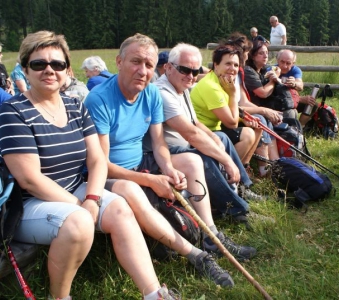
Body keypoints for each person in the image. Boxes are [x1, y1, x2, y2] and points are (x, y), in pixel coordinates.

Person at [0, 30, 180, 300]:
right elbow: (29, 180)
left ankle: (154, 294)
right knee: (79, 222)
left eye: (57, 64)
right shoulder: (14, 111)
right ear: (25, 68)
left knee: (119, 206)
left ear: (67, 70)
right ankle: (59, 297)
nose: (49, 70)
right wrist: (81, 207)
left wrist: (93, 199)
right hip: (29, 204)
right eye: (39, 64)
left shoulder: (75, 106)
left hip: (76, 189)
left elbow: (96, 160)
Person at [85, 33, 257, 288]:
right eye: (136, 62)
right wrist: (151, 179)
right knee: (136, 189)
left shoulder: (150, 94)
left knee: (191, 162)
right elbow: (102, 163)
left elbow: (158, 143)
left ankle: (211, 235)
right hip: (112, 173)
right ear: (119, 62)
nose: (142, 70)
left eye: (148, 65)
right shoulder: (99, 99)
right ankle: (197, 255)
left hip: (142, 161)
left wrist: (166, 168)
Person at [153, 43, 262, 216]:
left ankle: (242, 186)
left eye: (195, 72)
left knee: (222, 138)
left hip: (182, 142)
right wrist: (227, 160)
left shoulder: (181, 87)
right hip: (168, 150)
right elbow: (192, 133)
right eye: (185, 70)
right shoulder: (163, 93)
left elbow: (195, 122)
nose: (191, 76)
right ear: (168, 67)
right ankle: (236, 210)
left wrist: (213, 137)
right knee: (204, 157)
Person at [190, 45, 261, 172]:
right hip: (204, 131)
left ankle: (244, 169)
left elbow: (229, 113)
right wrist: (232, 94)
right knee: (248, 135)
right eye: (228, 63)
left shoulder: (222, 81)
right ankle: (227, 173)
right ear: (216, 65)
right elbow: (231, 123)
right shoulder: (211, 86)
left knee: (257, 126)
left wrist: (243, 119)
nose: (232, 69)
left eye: (235, 65)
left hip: (216, 127)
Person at [224, 33, 281, 175]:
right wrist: (263, 111)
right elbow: (232, 107)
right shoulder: (228, 75)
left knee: (263, 118)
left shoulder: (240, 73)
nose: (247, 56)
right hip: (226, 118)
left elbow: (243, 101)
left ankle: (272, 163)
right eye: (247, 52)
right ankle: (259, 168)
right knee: (259, 119)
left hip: (237, 113)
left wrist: (267, 111)